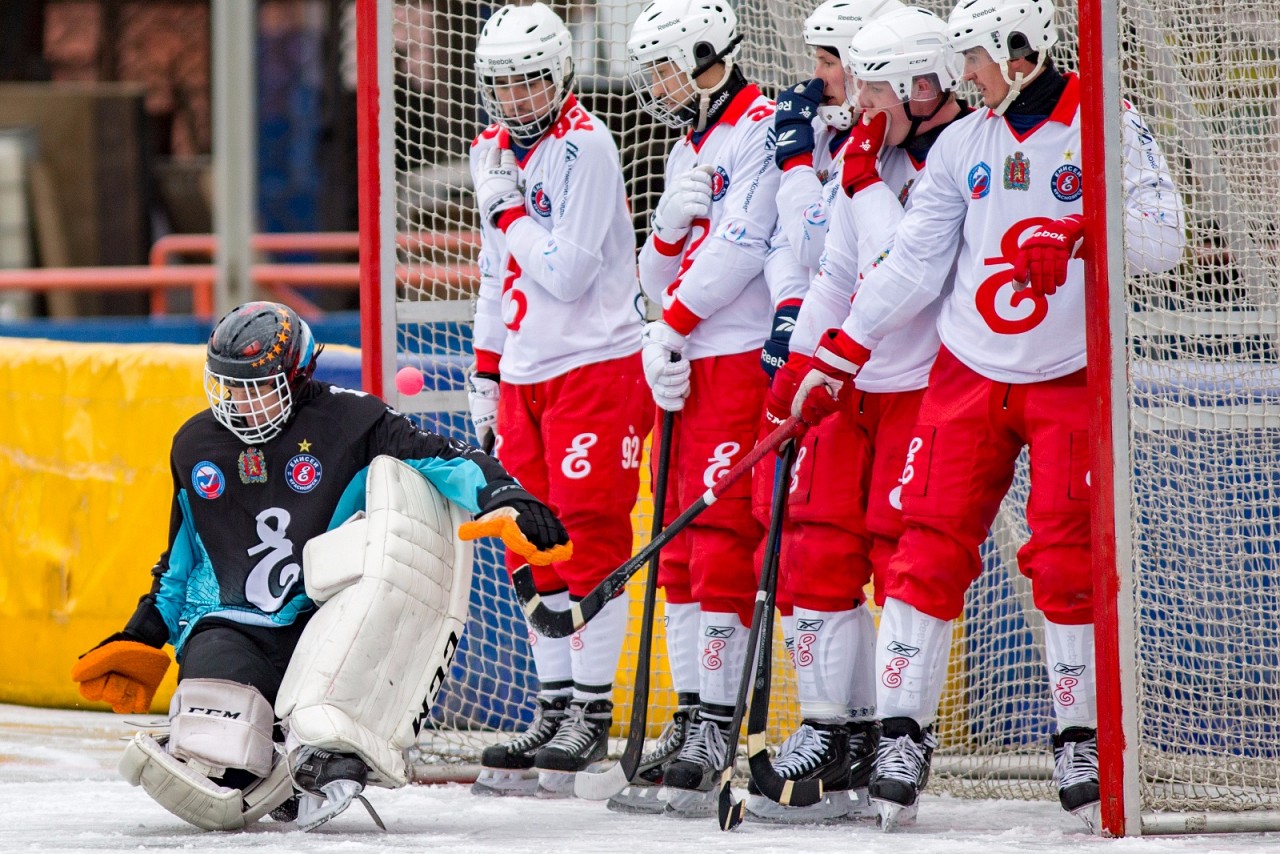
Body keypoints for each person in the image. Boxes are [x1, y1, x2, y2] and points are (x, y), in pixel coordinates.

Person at [791, 0, 1186, 831]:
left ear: (1019, 49)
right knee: (924, 545)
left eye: (973, 56)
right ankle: (903, 736)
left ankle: (1079, 739)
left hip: (1070, 375)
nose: (966, 74)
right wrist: (837, 354)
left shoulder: (1107, 120)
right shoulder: (967, 143)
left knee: (1070, 557)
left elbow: (1164, 240)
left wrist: (1083, 231)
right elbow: (909, 263)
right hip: (967, 374)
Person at [70, 301, 571, 832]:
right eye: (227, 385)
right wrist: (144, 634)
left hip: (326, 618)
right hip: (232, 624)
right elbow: (181, 559)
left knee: (329, 706)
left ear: (298, 375)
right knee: (217, 746)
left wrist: (505, 495)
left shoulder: (353, 420)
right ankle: (253, 759)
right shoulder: (194, 443)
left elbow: (446, 457)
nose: (238, 401)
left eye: (255, 386)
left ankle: (331, 753)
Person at [749, 4, 969, 825]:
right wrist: (802, 365)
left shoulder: (955, 154)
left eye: (870, 82)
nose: (854, 98)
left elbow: (905, 267)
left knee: (906, 555)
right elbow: (838, 271)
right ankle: (829, 731)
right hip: (848, 384)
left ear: (924, 83)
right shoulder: (861, 154)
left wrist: (863, 180)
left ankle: (899, 731)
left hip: (925, 383)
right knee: (816, 546)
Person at [466, 2, 652, 798]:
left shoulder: (587, 145)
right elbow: (493, 271)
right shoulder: (490, 150)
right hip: (526, 371)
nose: (516, 100)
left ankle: (591, 710)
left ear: (559, 75)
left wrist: (505, 205)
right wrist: (485, 376)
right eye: (502, 85)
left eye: (530, 81)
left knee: (589, 531)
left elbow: (564, 271)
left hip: (596, 363)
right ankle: (552, 705)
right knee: (524, 536)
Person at [612, 0, 781, 817]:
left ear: (705, 53)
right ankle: (691, 709)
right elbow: (651, 279)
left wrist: (672, 325)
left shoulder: (762, 126)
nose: (656, 84)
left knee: (715, 541)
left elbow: (747, 243)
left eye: (665, 67)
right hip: (682, 361)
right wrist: (669, 229)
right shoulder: (688, 143)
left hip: (738, 357)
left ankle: (720, 720)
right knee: (672, 545)